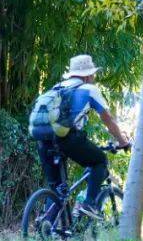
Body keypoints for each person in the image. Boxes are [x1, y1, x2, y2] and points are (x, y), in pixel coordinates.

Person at [33, 54, 130, 223]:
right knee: (99, 160)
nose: (93, 78)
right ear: (87, 75)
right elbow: (108, 120)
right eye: (92, 74)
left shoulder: (56, 88)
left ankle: (47, 228)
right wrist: (122, 142)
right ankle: (90, 204)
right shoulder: (90, 90)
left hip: (43, 139)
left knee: (57, 188)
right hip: (67, 139)